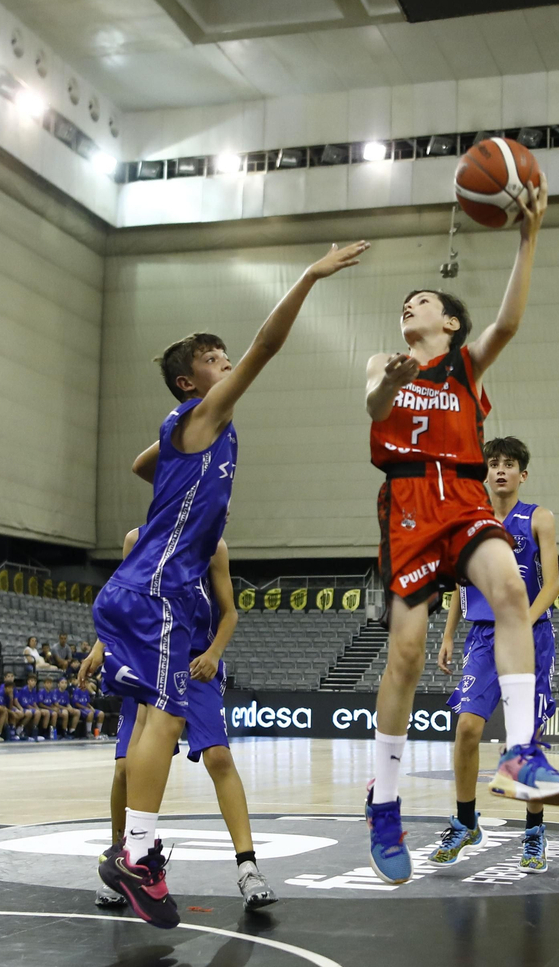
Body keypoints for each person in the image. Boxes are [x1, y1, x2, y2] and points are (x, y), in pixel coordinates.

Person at [93, 240, 366, 928]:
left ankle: (139, 851)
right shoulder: (203, 417)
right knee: (167, 716)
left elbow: (138, 465)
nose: (229, 366)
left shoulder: (195, 429)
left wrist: (184, 491)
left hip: (155, 593)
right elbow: (267, 347)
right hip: (154, 591)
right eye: (216, 363)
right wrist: (308, 274)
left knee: (165, 718)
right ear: (193, 385)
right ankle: (138, 852)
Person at [361, 181, 559, 886]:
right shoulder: (384, 364)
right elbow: (373, 404)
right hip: (408, 502)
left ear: (449, 324)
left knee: (513, 588)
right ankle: (384, 802)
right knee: (407, 656)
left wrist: (528, 236)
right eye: (405, 306)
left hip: (462, 494)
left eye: (422, 302)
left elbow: (507, 325)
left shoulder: (463, 364)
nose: (409, 307)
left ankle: (521, 754)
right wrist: (389, 384)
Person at [89, 530, 276, 912]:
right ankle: (119, 861)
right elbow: (121, 605)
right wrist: (100, 645)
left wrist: (214, 652)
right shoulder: (136, 540)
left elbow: (229, 613)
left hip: (194, 663)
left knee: (219, 758)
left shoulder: (214, 547)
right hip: (147, 660)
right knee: (126, 767)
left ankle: (249, 868)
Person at [433, 437, 559, 874]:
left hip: (529, 635)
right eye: (494, 464)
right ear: (485, 473)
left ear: (523, 474)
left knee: (523, 740)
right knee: (467, 728)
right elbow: (459, 585)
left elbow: (553, 585)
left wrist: (522, 621)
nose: (501, 470)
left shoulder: (539, 518)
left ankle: (534, 832)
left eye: (509, 464)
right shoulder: (469, 521)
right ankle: (466, 822)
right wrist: (448, 635)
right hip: (483, 637)